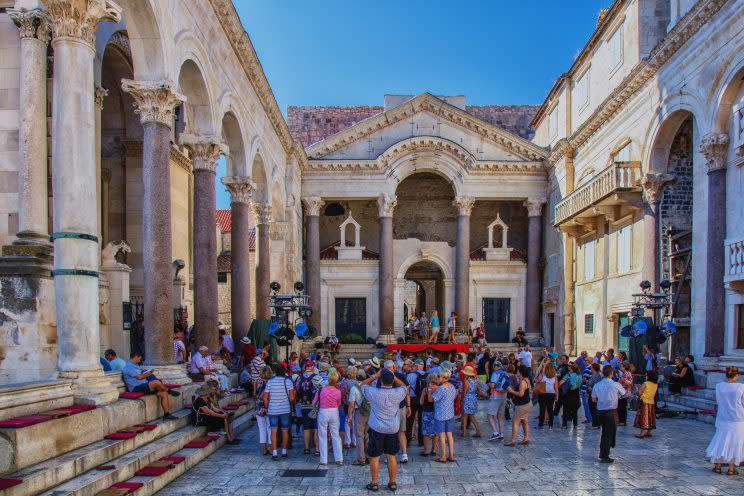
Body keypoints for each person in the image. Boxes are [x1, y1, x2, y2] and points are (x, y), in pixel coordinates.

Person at [361, 369, 407, 492]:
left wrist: (375, 375)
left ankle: (374, 483)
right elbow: (404, 387)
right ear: (392, 380)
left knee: (374, 456)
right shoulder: (398, 393)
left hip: (377, 428)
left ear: (380, 379)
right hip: (392, 428)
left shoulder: (373, 392)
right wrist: (394, 377)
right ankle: (392, 482)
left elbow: (362, 384)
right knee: (391, 456)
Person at [706, 366, 744, 475]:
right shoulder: (741, 387)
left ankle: (718, 466)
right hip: (738, 418)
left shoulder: (719, 386)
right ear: (737, 375)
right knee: (735, 442)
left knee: (720, 440)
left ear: (726, 375)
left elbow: (718, 401)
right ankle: (731, 468)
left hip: (723, 416)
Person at [122, 352, 180, 421]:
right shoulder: (128, 367)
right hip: (136, 387)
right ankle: (169, 390)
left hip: (144, 385)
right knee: (156, 382)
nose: (140, 360)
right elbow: (139, 377)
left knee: (163, 393)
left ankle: (167, 414)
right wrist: (149, 373)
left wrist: (145, 372)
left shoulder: (135, 365)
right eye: (139, 359)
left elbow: (140, 374)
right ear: (136, 357)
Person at [591, 365, 625, 463]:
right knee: (608, 434)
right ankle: (605, 455)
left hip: (600, 411)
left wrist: (602, 399)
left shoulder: (597, 385)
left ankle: (603, 453)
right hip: (611, 412)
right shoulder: (615, 384)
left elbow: (593, 399)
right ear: (611, 373)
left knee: (604, 433)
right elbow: (624, 393)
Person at [262, 363, 295, 460]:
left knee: (273, 430)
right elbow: (292, 398)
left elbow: (265, 398)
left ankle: (275, 452)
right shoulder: (288, 382)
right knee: (285, 430)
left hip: (273, 410)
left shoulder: (270, 382)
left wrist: (267, 406)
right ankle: (284, 451)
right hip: (285, 409)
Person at [315, 370, 344, 465]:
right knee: (335, 435)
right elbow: (338, 404)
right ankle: (339, 458)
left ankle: (323, 460)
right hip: (334, 412)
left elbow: (314, 402)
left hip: (323, 411)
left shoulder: (321, 390)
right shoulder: (338, 392)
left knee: (322, 436)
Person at [429, 368, 457, 462]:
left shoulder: (441, 388)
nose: (438, 378)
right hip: (450, 413)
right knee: (449, 435)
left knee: (441, 436)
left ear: (442, 377)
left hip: (440, 414)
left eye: (439, 376)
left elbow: (431, 400)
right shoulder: (452, 386)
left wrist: (430, 390)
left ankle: (443, 456)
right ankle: (451, 456)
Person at [295, 360, 319, 455]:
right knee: (316, 426)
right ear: (312, 367)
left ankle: (306, 448)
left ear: (305, 367)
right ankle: (317, 448)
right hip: (315, 405)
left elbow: (297, 389)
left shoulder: (299, 378)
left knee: (306, 426)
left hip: (304, 404)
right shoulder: (317, 377)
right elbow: (321, 390)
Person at [349, 369, 370, 465]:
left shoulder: (354, 388)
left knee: (359, 436)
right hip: (369, 412)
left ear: (356, 377)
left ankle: (361, 459)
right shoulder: (368, 386)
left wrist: (349, 416)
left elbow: (351, 404)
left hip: (359, 412)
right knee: (367, 435)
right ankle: (368, 456)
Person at [486, 360, 508, 441]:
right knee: (500, 417)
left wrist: (489, 384)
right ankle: (501, 433)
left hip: (495, 397)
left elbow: (492, 385)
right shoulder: (505, 373)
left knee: (490, 415)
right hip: (504, 397)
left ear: (495, 366)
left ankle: (495, 433)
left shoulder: (495, 373)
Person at [254, 366, 273, 455]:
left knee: (261, 428)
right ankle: (271, 448)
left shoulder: (257, 381)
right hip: (269, 406)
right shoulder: (271, 382)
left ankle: (264, 449)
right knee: (270, 428)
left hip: (259, 407)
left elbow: (254, 395)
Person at [634, 370, 658, 438]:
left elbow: (640, 393)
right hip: (651, 402)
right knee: (650, 416)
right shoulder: (655, 384)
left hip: (644, 402)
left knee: (643, 417)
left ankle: (641, 434)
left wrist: (638, 387)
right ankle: (649, 432)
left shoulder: (645, 383)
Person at [460, 365, 482, 437]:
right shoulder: (475, 380)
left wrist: (461, 398)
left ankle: (464, 432)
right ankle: (478, 430)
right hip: (473, 398)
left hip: (467, 398)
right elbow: (479, 390)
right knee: (472, 416)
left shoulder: (467, 381)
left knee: (465, 416)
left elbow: (465, 392)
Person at [559, 363, 581, 429]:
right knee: (575, 411)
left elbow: (561, 382)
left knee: (566, 410)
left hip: (569, 393)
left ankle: (564, 424)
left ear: (572, 369)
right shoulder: (579, 375)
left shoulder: (569, 375)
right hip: (576, 393)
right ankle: (575, 425)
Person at [537, 363, 558, 430]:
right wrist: (557, 395)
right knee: (550, 410)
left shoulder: (543, 375)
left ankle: (541, 425)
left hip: (543, 393)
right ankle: (550, 426)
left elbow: (537, 381)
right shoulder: (555, 376)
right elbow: (556, 387)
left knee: (542, 410)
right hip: (551, 393)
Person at [585, 362, 603, 428]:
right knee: (595, 409)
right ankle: (597, 423)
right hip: (598, 394)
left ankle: (595, 423)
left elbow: (589, 385)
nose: (590, 369)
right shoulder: (599, 375)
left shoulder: (594, 376)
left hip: (593, 394)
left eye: (591, 368)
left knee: (593, 409)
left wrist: (589, 388)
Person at [617, 361, 634, 426]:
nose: (620, 367)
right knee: (620, 407)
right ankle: (620, 420)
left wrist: (622, 379)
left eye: (621, 366)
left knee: (622, 407)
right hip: (621, 393)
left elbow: (629, 383)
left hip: (625, 393)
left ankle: (622, 421)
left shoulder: (628, 374)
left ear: (625, 367)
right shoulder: (623, 374)